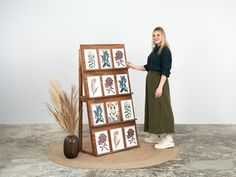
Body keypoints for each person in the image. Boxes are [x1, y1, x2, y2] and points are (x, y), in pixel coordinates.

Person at [127, 26, 175, 149]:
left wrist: (160, 87)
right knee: (153, 107)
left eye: (158, 35)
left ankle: (169, 138)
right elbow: (148, 67)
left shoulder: (165, 50)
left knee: (163, 108)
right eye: (153, 35)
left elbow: (165, 71)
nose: (155, 37)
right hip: (151, 81)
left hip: (159, 82)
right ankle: (156, 134)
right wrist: (133, 66)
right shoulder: (155, 50)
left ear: (163, 36)